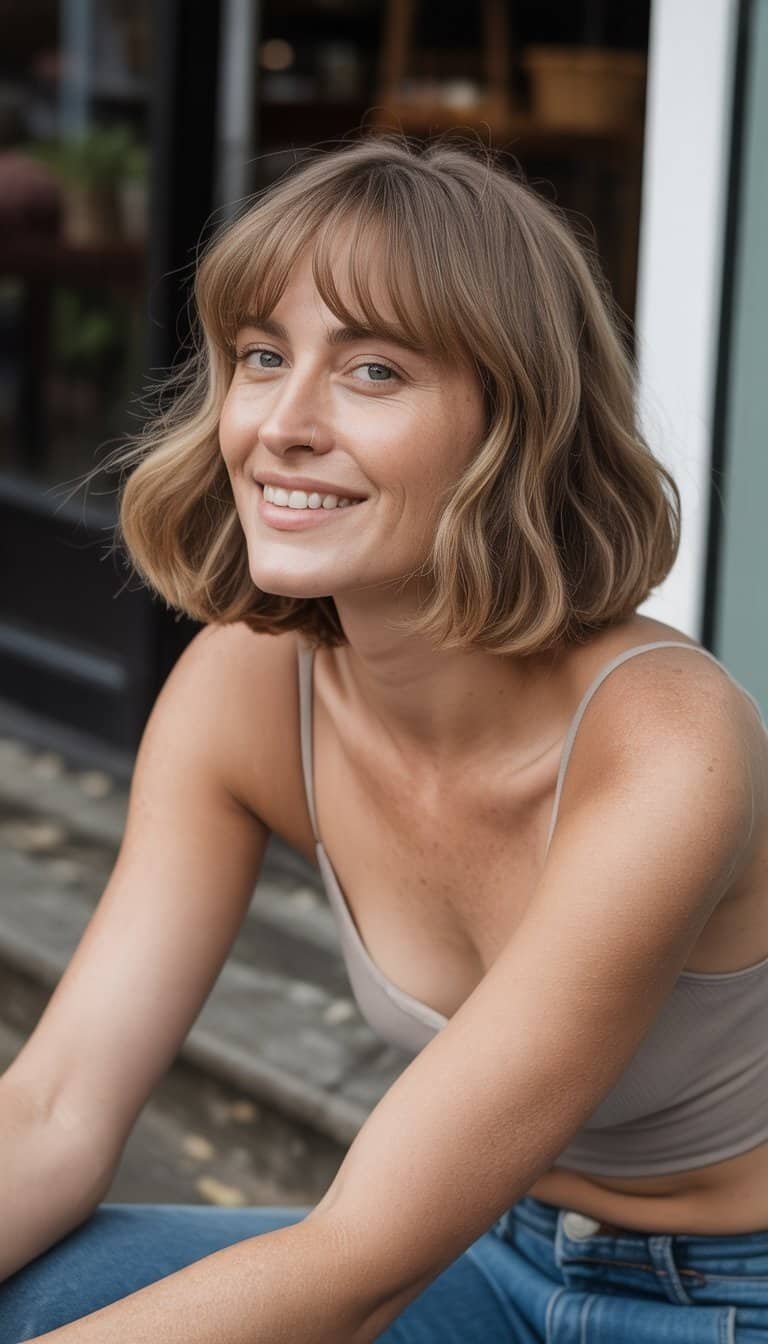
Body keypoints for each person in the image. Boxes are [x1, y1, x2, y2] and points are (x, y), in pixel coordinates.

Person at [1, 131, 767, 1344]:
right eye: (261, 356)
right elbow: (51, 1108)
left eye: (372, 373)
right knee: (44, 1294)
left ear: (510, 422)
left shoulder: (670, 746)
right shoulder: (247, 689)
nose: (281, 425)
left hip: (727, 1299)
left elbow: (358, 1265)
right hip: (486, 1247)